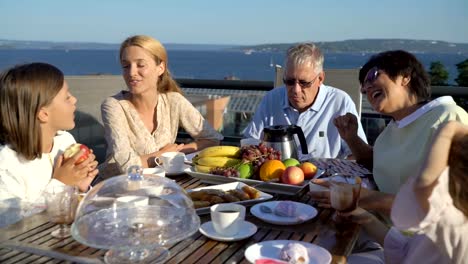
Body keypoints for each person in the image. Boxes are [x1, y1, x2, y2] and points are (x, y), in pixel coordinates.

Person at [343, 121, 468, 263]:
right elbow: (406, 250)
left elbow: (423, 186)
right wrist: (363, 216)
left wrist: (448, 128)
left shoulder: (457, 225)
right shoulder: (448, 223)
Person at [100, 35, 223, 178]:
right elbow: (127, 167)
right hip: (116, 189)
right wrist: (162, 155)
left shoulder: (173, 101)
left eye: (140, 65)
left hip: (160, 185)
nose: (131, 73)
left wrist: (175, 153)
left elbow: (213, 140)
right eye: (126, 66)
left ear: (160, 68)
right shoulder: (114, 106)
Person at [0, 63, 99, 227]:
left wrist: (81, 187)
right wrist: (61, 184)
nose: (74, 99)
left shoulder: (65, 141)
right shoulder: (7, 165)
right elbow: (13, 224)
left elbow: (72, 208)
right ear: (43, 114)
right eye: (67, 97)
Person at [243, 43, 367, 160]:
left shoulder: (339, 103)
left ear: (320, 78)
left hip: (324, 180)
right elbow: (250, 143)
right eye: (290, 81)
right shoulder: (271, 99)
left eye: (304, 83)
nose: (296, 90)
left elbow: (357, 155)